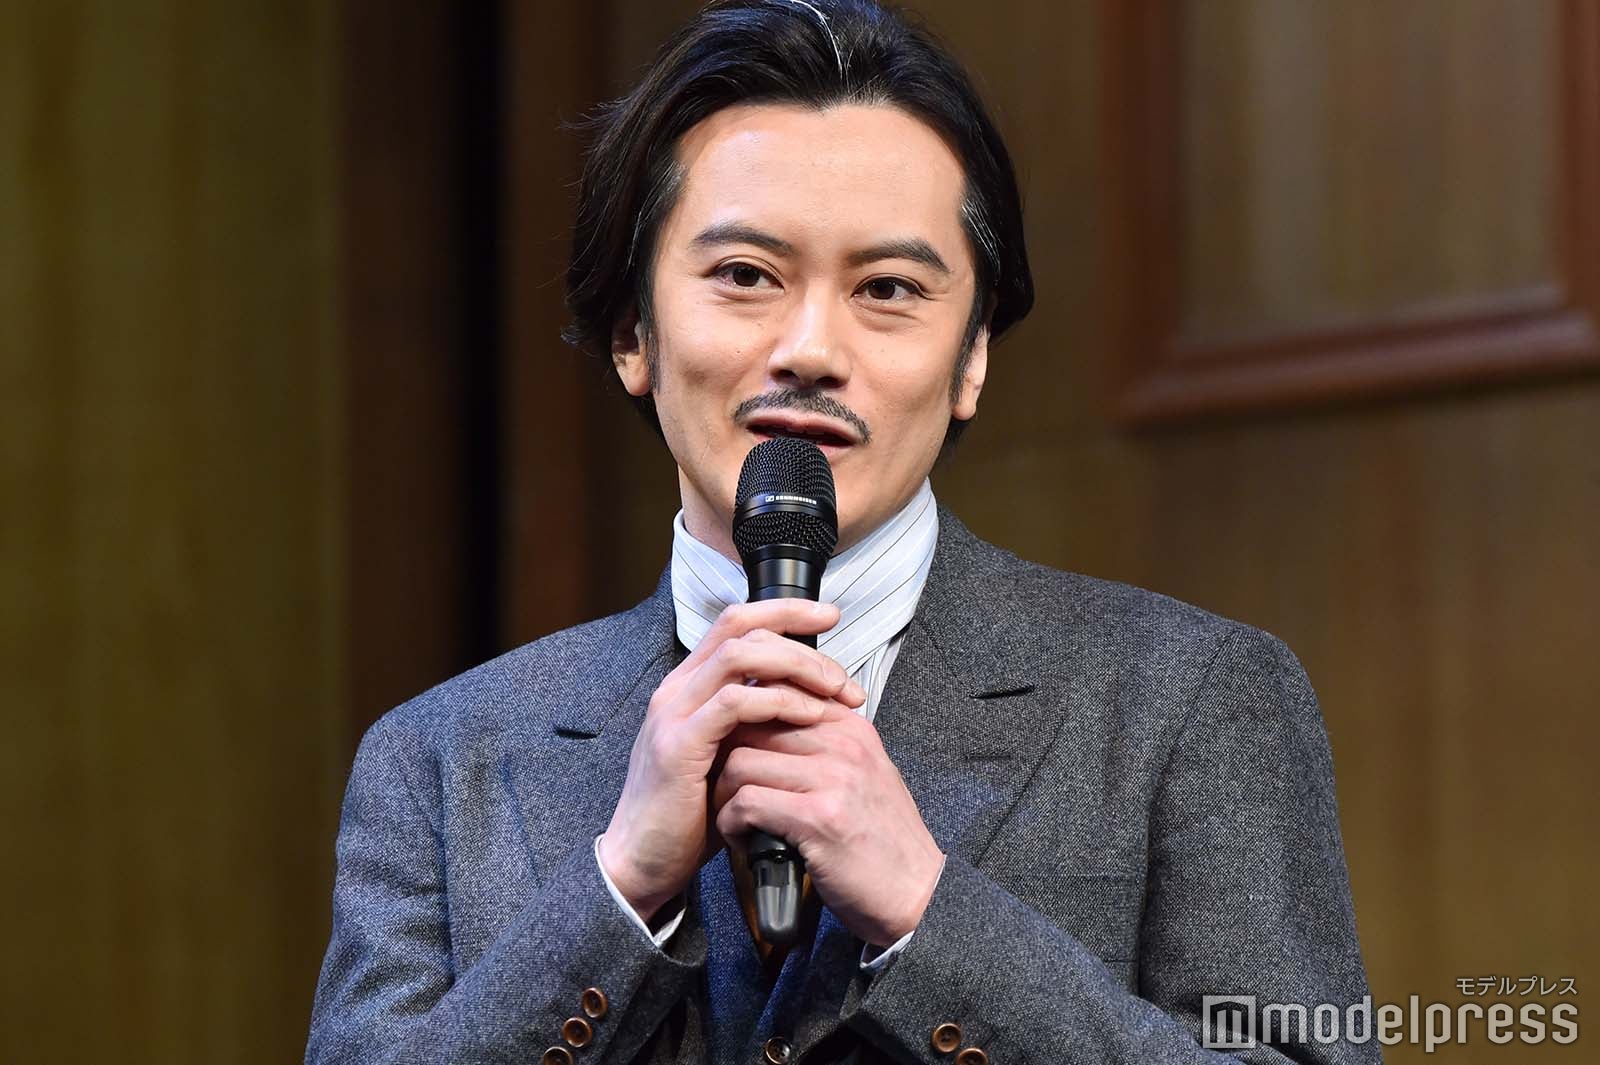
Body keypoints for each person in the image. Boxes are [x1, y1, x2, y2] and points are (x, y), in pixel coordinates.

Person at [306, 2, 1377, 1063]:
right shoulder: (441, 758)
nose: (811, 350)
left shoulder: (1190, 701)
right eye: (745, 276)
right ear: (633, 332)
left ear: (971, 360)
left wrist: (926, 911)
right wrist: (619, 886)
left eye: (887, 288)